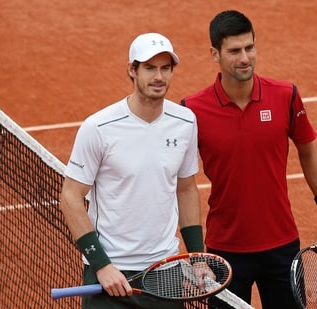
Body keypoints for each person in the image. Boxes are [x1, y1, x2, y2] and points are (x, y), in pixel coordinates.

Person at [180, 10, 317, 308]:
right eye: (234, 51)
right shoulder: (191, 111)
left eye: (249, 48)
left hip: (282, 247)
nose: (244, 58)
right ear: (215, 54)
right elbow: (183, 184)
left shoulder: (285, 95)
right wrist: (195, 254)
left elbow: (308, 153)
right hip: (224, 252)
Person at [59, 32, 206, 309]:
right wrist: (102, 265)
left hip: (165, 272)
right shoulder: (98, 128)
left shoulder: (185, 122)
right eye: (149, 68)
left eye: (165, 68)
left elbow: (186, 188)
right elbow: (70, 196)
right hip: (110, 275)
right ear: (132, 70)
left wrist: (197, 257)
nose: (158, 76)